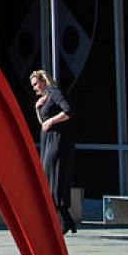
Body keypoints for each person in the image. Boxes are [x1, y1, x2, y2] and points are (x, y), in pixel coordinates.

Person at [31, 69, 78, 235]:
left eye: (36, 84)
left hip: (58, 141)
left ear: (44, 81)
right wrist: (38, 109)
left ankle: (57, 220)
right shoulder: (44, 99)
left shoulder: (55, 93)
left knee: (55, 178)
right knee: (48, 177)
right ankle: (66, 220)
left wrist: (52, 120)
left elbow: (68, 111)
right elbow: (43, 124)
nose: (35, 88)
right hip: (48, 142)